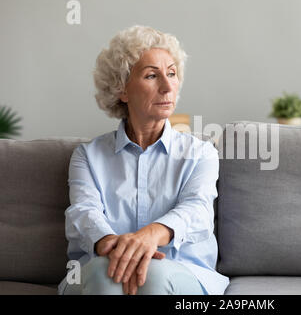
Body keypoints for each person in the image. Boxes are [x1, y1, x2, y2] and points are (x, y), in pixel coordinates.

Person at [57, 25, 229, 295]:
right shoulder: (88, 156)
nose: (167, 85)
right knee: (105, 274)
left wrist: (150, 236)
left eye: (172, 74)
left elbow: (198, 211)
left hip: (182, 270)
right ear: (121, 90)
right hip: (104, 268)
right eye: (152, 75)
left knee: (153, 275)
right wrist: (114, 246)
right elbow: (83, 212)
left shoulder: (200, 153)